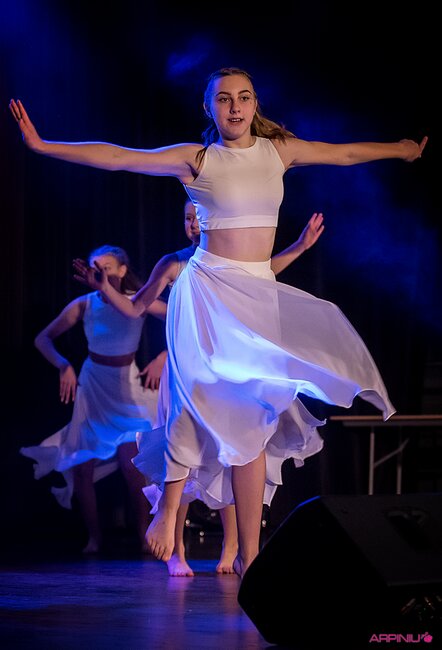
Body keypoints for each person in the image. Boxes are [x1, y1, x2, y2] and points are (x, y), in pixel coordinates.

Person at [10, 67, 427, 579]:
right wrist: (43, 145)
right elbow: (119, 157)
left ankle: (250, 553)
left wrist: (400, 149)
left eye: (244, 97)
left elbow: (342, 153)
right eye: (224, 99)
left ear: (255, 105)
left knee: (253, 424)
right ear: (208, 107)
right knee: (195, 397)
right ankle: (168, 509)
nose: (235, 106)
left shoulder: (279, 152)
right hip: (206, 291)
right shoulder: (198, 159)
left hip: (258, 295)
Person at [124, 199, 325, 576]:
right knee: (181, 448)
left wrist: (299, 247)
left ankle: (237, 547)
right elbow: (139, 306)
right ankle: (177, 549)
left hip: (227, 372)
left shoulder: (234, 261)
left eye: (199, 218)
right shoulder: (175, 263)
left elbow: (265, 270)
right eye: (187, 218)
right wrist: (107, 289)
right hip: (188, 373)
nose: (193, 224)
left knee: (238, 448)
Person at [20, 244, 167, 554]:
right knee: (82, 466)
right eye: (94, 267)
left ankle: (144, 534)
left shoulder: (138, 301)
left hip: (127, 387)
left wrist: (163, 357)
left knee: (132, 463)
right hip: (94, 386)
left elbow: (185, 321)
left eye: (106, 267)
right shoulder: (84, 304)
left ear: (122, 271)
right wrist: (64, 365)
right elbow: (42, 338)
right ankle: (94, 538)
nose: (99, 272)